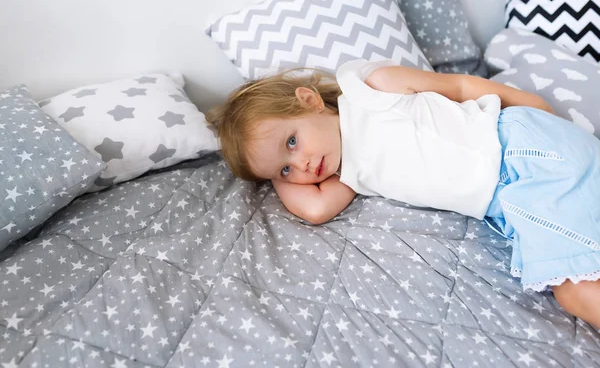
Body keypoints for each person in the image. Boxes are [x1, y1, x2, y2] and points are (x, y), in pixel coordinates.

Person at [206, 59, 600, 328]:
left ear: (308, 100)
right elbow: (314, 210)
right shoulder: (350, 174)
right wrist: (267, 166)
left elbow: (461, 85)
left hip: (520, 151)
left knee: (574, 291)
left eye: (292, 141)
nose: (304, 166)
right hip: (508, 198)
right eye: (286, 170)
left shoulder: (371, 91)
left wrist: (536, 105)